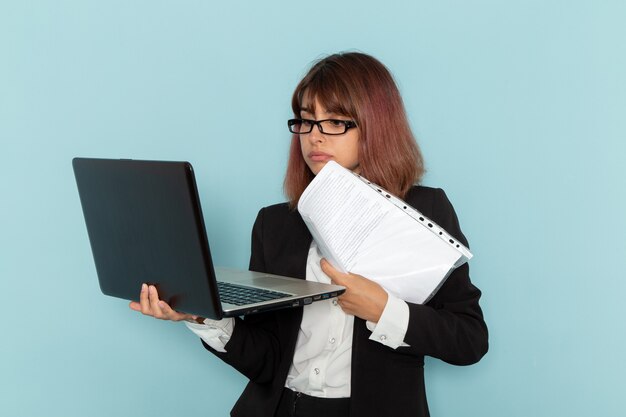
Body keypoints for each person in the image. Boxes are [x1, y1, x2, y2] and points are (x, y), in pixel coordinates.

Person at [130, 52, 488, 417]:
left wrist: (384, 309)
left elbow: (470, 340)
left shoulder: (425, 212)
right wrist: (201, 316)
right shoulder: (275, 224)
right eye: (306, 120)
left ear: (375, 125)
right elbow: (267, 359)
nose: (314, 136)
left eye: (334, 122)